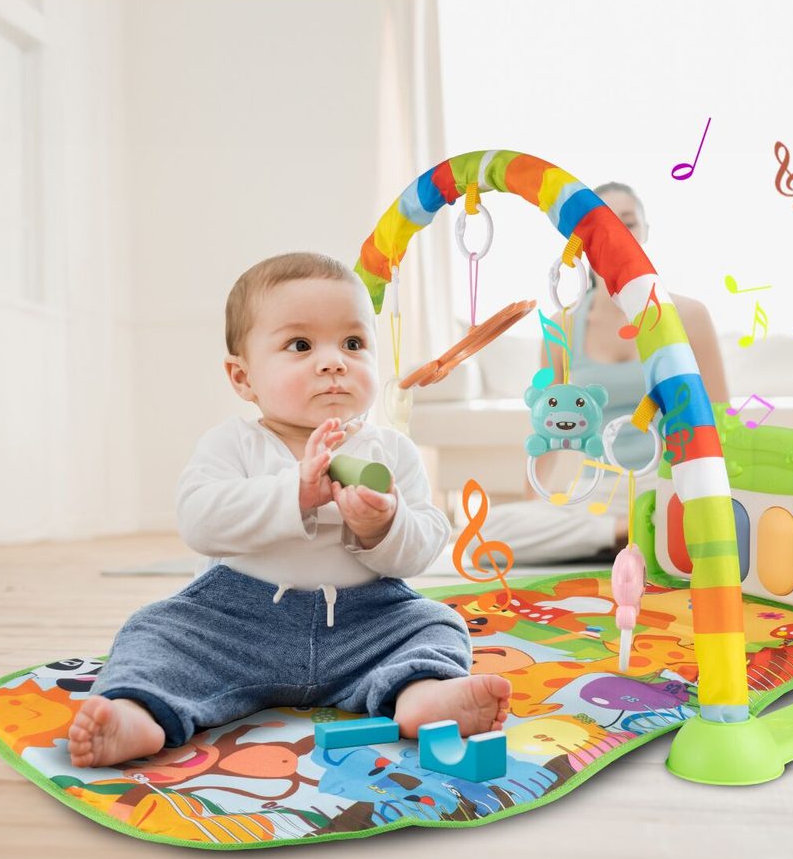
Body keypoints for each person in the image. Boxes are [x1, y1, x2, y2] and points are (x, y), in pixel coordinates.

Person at [69, 252, 510, 768]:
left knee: (435, 623)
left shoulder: (391, 452)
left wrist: (384, 525)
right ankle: (136, 713)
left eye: (353, 343)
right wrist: (293, 493)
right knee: (153, 631)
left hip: (365, 625)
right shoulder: (232, 444)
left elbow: (422, 547)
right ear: (243, 377)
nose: (333, 362)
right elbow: (199, 519)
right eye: (300, 345)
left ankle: (423, 696)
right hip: (235, 626)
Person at [484, 182, 730, 563]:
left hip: (667, 485)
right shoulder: (561, 327)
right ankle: (628, 533)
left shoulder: (690, 316)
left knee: (699, 518)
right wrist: (535, 508)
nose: (616, 234)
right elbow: (548, 432)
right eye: (602, 225)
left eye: (628, 223)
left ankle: (633, 533)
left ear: (645, 232)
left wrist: (713, 495)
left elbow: (720, 420)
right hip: (596, 493)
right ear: (581, 243)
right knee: (487, 533)